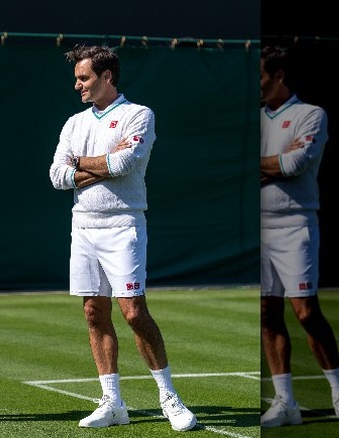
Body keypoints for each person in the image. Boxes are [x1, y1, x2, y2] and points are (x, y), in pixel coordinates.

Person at [48, 44, 197, 432]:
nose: (77, 85)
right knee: (94, 312)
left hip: (123, 226)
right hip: (82, 226)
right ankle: (112, 402)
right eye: (77, 78)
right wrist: (98, 165)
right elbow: (57, 177)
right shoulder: (73, 123)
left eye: (84, 78)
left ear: (107, 77)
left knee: (133, 311)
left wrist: (79, 163)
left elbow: (124, 163)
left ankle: (169, 398)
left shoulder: (139, 115)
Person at [259, 45, 339, 431]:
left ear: (279, 76)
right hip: (257, 227)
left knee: (305, 311)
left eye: (260, 77)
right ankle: (286, 402)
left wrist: (264, 165)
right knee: (267, 312)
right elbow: (275, 165)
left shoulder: (311, 115)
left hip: (295, 225)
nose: (254, 85)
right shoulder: (252, 118)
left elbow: (295, 164)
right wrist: (272, 164)